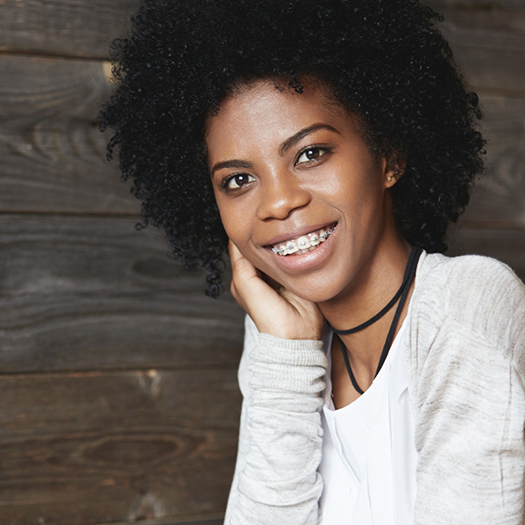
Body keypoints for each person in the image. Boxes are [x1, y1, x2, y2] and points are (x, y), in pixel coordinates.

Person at [99, 0, 525, 523]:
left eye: (309, 153)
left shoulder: (469, 302)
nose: (278, 203)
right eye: (238, 180)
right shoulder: (281, 343)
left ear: (388, 155)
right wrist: (284, 352)